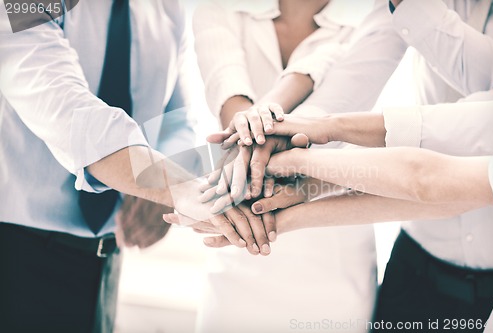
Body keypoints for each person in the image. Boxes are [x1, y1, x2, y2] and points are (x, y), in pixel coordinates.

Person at [0, 1, 267, 332]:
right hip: (14, 255)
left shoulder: (164, 8)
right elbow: (69, 113)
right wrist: (171, 186)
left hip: (105, 260)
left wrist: (159, 185)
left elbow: (175, 120)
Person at [192, 0, 399, 332]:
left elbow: (324, 111)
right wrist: (253, 124)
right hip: (244, 240)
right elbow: (227, 90)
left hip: (333, 246)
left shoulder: (375, 15)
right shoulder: (221, 7)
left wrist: (256, 126)